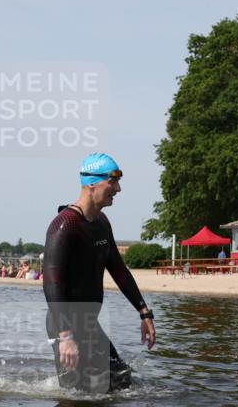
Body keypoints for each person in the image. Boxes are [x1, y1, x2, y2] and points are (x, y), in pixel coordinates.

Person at [43, 153, 155, 393]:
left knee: (121, 381)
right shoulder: (64, 225)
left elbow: (119, 270)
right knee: (76, 400)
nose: (118, 189)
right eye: (112, 182)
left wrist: (144, 313)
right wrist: (65, 337)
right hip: (66, 326)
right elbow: (52, 284)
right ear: (92, 182)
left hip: (90, 324)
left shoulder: (101, 223)